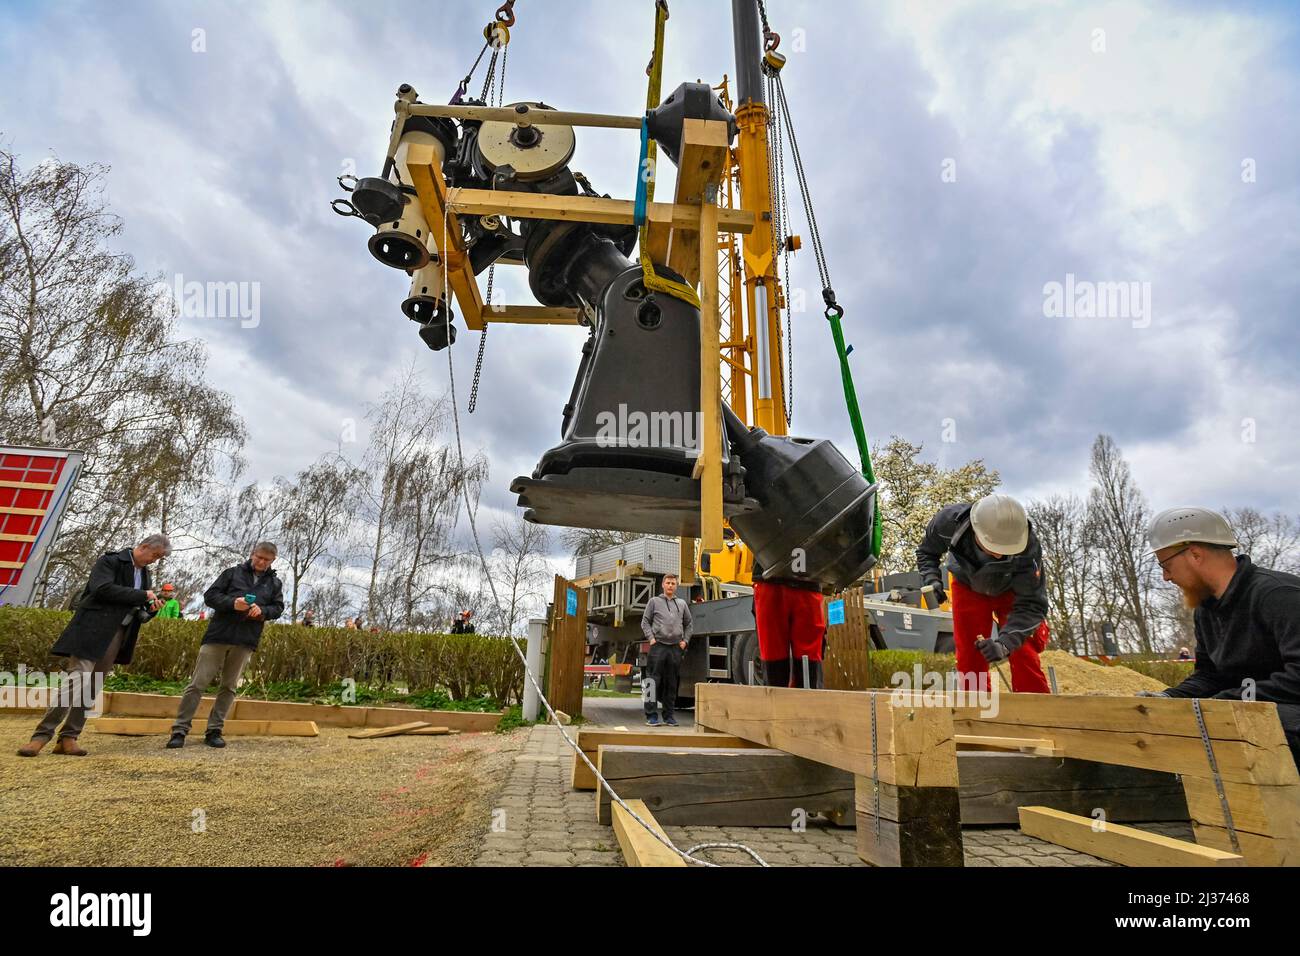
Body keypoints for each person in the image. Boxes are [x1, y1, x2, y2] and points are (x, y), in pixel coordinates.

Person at [1139, 506, 1300, 770]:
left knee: (1244, 724)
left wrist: (1226, 703)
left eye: (1166, 565)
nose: (1165, 577)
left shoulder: (1279, 595)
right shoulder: (1206, 610)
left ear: (1194, 554)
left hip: (1288, 723)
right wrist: (1169, 699)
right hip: (1257, 717)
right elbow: (1211, 676)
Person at [17, 534, 171, 757]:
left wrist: (150, 610)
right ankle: (41, 736)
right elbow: (101, 589)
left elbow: (137, 609)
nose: (154, 561)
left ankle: (69, 737)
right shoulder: (111, 561)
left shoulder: (144, 574)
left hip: (118, 634)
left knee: (92, 686)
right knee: (76, 681)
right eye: (154, 555)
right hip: (92, 630)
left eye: (158, 558)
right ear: (144, 546)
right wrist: (141, 595)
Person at [916, 493, 1051, 693]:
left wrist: (1005, 644)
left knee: (1023, 651)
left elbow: (1032, 605)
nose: (999, 554)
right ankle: (976, 711)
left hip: (1011, 590)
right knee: (969, 654)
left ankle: (1037, 713)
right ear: (976, 531)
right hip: (967, 585)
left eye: (1007, 549)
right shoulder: (947, 522)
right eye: (994, 547)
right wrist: (932, 579)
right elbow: (926, 552)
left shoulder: (1029, 548)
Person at [167, 542, 284, 749]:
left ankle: (214, 729)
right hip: (218, 635)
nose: (261, 562)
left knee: (229, 687)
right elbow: (210, 596)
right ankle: (180, 730)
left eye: (266, 559)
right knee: (197, 684)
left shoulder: (274, 584)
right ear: (252, 554)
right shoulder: (232, 573)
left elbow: (278, 608)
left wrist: (263, 611)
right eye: (258, 557)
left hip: (246, 639)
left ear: (273, 561)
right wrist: (232, 603)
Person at [752, 556, 828, 689]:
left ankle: (802, 703)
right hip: (789, 579)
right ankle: (779, 703)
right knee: (775, 658)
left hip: (790, 579)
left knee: (805, 663)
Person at [641, 573, 692, 726]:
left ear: (676, 586)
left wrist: (685, 641)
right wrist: (651, 638)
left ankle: (669, 715)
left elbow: (689, 624)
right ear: (663, 585)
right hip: (658, 647)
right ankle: (650, 715)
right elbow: (645, 621)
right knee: (651, 681)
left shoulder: (682, 604)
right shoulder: (654, 602)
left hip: (675, 648)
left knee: (671, 683)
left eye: (673, 583)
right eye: (668, 583)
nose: (670, 585)